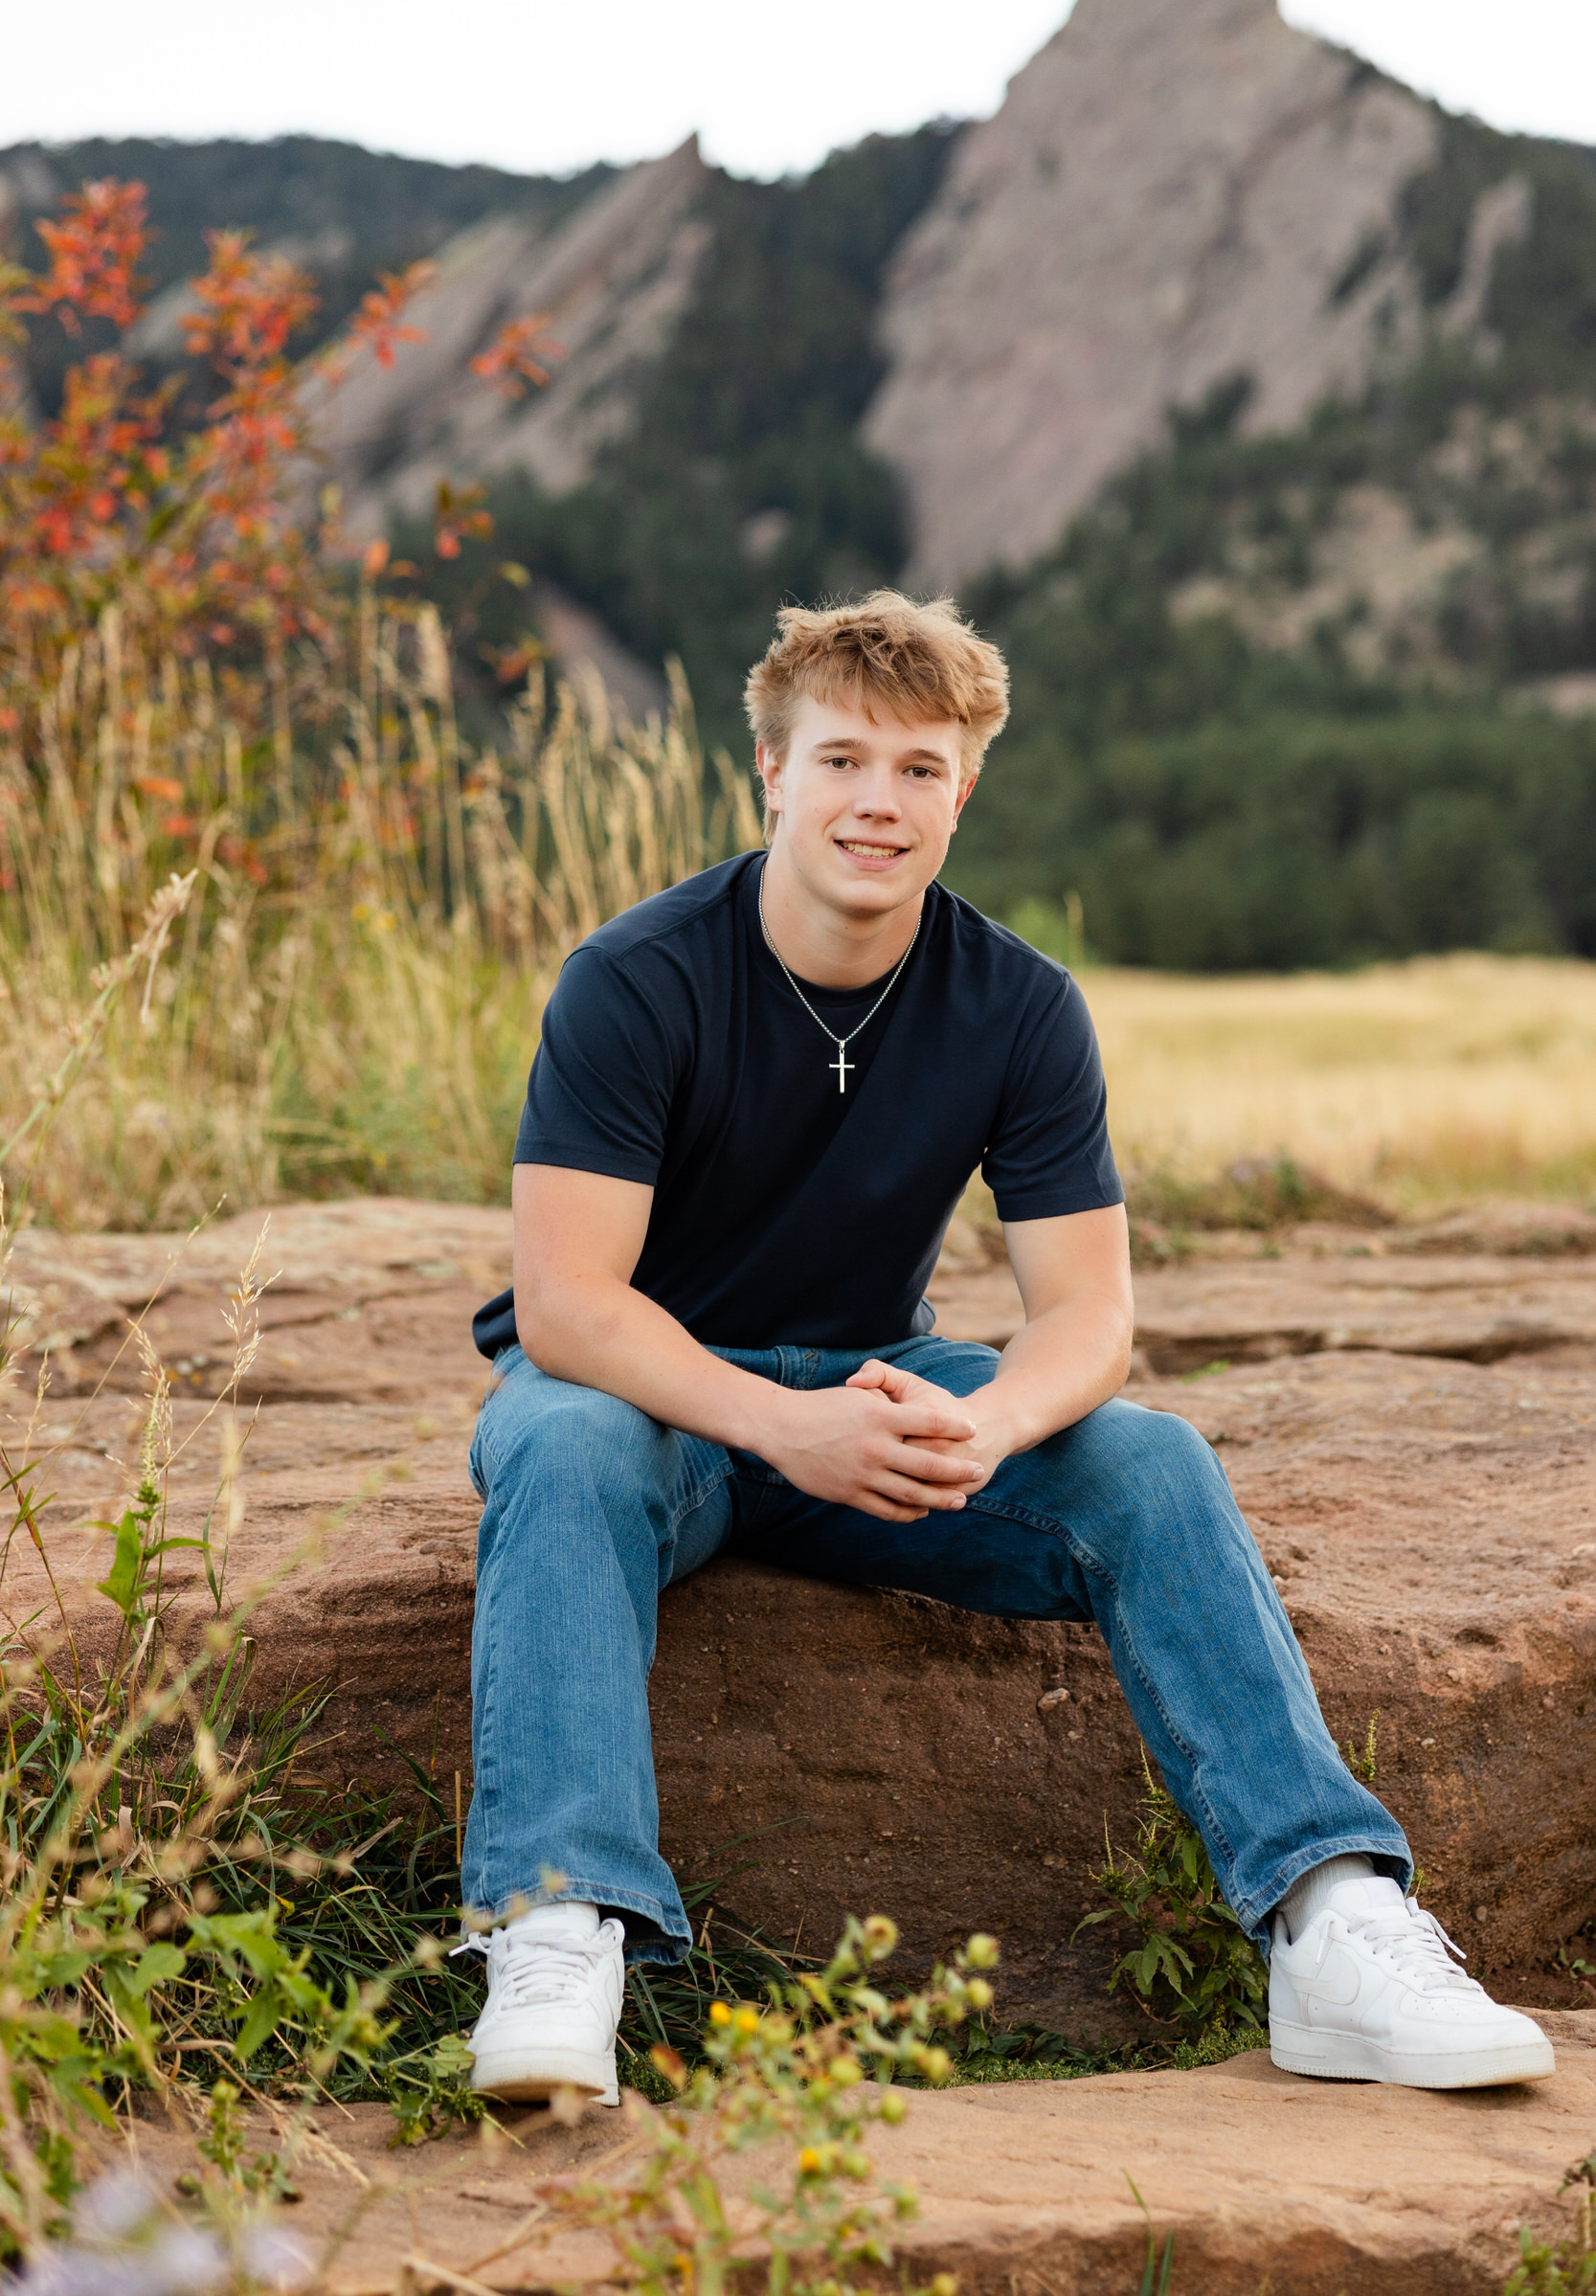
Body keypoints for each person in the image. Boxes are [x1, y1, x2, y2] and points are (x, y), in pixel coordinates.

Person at [460, 591, 1554, 2105]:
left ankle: (1332, 1922)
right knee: (561, 1436)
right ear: (769, 772)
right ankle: (555, 1928)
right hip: (658, 1407)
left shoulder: (1021, 1005)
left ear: (965, 789)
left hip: (883, 1396)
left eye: (920, 771)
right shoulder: (637, 978)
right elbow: (572, 1304)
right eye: (843, 761)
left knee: (1150, 1460)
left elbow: (1091, 1315)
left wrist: (993, 1427)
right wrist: (783, 1430)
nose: (878, 803)